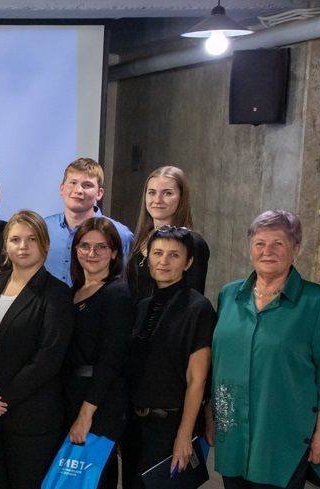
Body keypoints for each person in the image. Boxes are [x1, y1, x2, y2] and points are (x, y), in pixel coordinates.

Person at [211, 211, 320, 489]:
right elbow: (217, 363)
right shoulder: (230, 295)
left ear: (296, 249)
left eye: (278, 243)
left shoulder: (317, 302)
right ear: (250, 249)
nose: (267, 251)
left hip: (282, 436)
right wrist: (211, 415)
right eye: (260, 243)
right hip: (232, 430)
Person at [0, 210, 72, 489]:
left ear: (45, 244)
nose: (23, 246)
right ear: (5, 245)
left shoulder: (57, 294)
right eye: (15, 239)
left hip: (31, 419)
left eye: (32, 239)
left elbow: (48, 359)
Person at [122, 226, 215, 489]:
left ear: (188, 262)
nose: (164, 261)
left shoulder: (198, 308)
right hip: (135, 426)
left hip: (170, 426)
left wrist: (184, 435)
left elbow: (197, 380)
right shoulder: (142, 306)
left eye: (174, 255)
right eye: (157, 253)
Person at [63, 218, 135, 489]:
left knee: (95, 480)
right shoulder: (73, 292)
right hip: (70, 395)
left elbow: (111, 360)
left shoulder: (117, 295)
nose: (91, 253)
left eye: (101, 247)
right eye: (84, 246)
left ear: (114, 252)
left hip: (99, 403)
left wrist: (86, 414)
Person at [44, 158, 134, 287]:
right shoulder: (43, 228)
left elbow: (127, 282)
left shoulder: (121, 234)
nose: (78, 190)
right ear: (61, 188)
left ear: (99, 193)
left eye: (87, 185)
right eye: (73, 183)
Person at [125, 166, 211, 298]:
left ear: (181, 198)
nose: (157, 200)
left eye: (167, 193)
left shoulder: (193, 242)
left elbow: (192, 298)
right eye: (152, 192)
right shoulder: (141, 239)